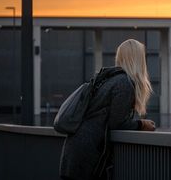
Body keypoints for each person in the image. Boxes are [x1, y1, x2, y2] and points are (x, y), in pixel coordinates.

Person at [59, 39, 156, 180]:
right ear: (137, 60)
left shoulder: (111, 79)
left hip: (77, 152)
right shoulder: (124, 84)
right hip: (87, 156)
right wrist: (142, 124)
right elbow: (116, 124)